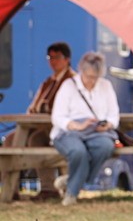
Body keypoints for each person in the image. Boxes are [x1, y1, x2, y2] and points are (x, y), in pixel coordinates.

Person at [1, 41, 74, 201]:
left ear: (67, 59)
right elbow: (33, 107)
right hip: (38, 125)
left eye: (57, 57)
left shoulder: (72, 81)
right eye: (50, 57)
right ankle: (10, 188)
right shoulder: (48, 82)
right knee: (11, 140)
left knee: (36, 139)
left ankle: (48, 188)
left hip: (60, 130)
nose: (52, 61)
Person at [50, 51, 119, 206]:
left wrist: (107, 124)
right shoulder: (68, 86)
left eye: (95, 77)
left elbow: (114, 115)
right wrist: (77, 125)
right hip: (69, 132)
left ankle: (71, 181)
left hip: (96, 132)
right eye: (88, 77)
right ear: (81, 70)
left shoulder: (106, 86)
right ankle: (71, 195)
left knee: (106, 146)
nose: (92, 81)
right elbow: (58, 117)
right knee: (78, 152)